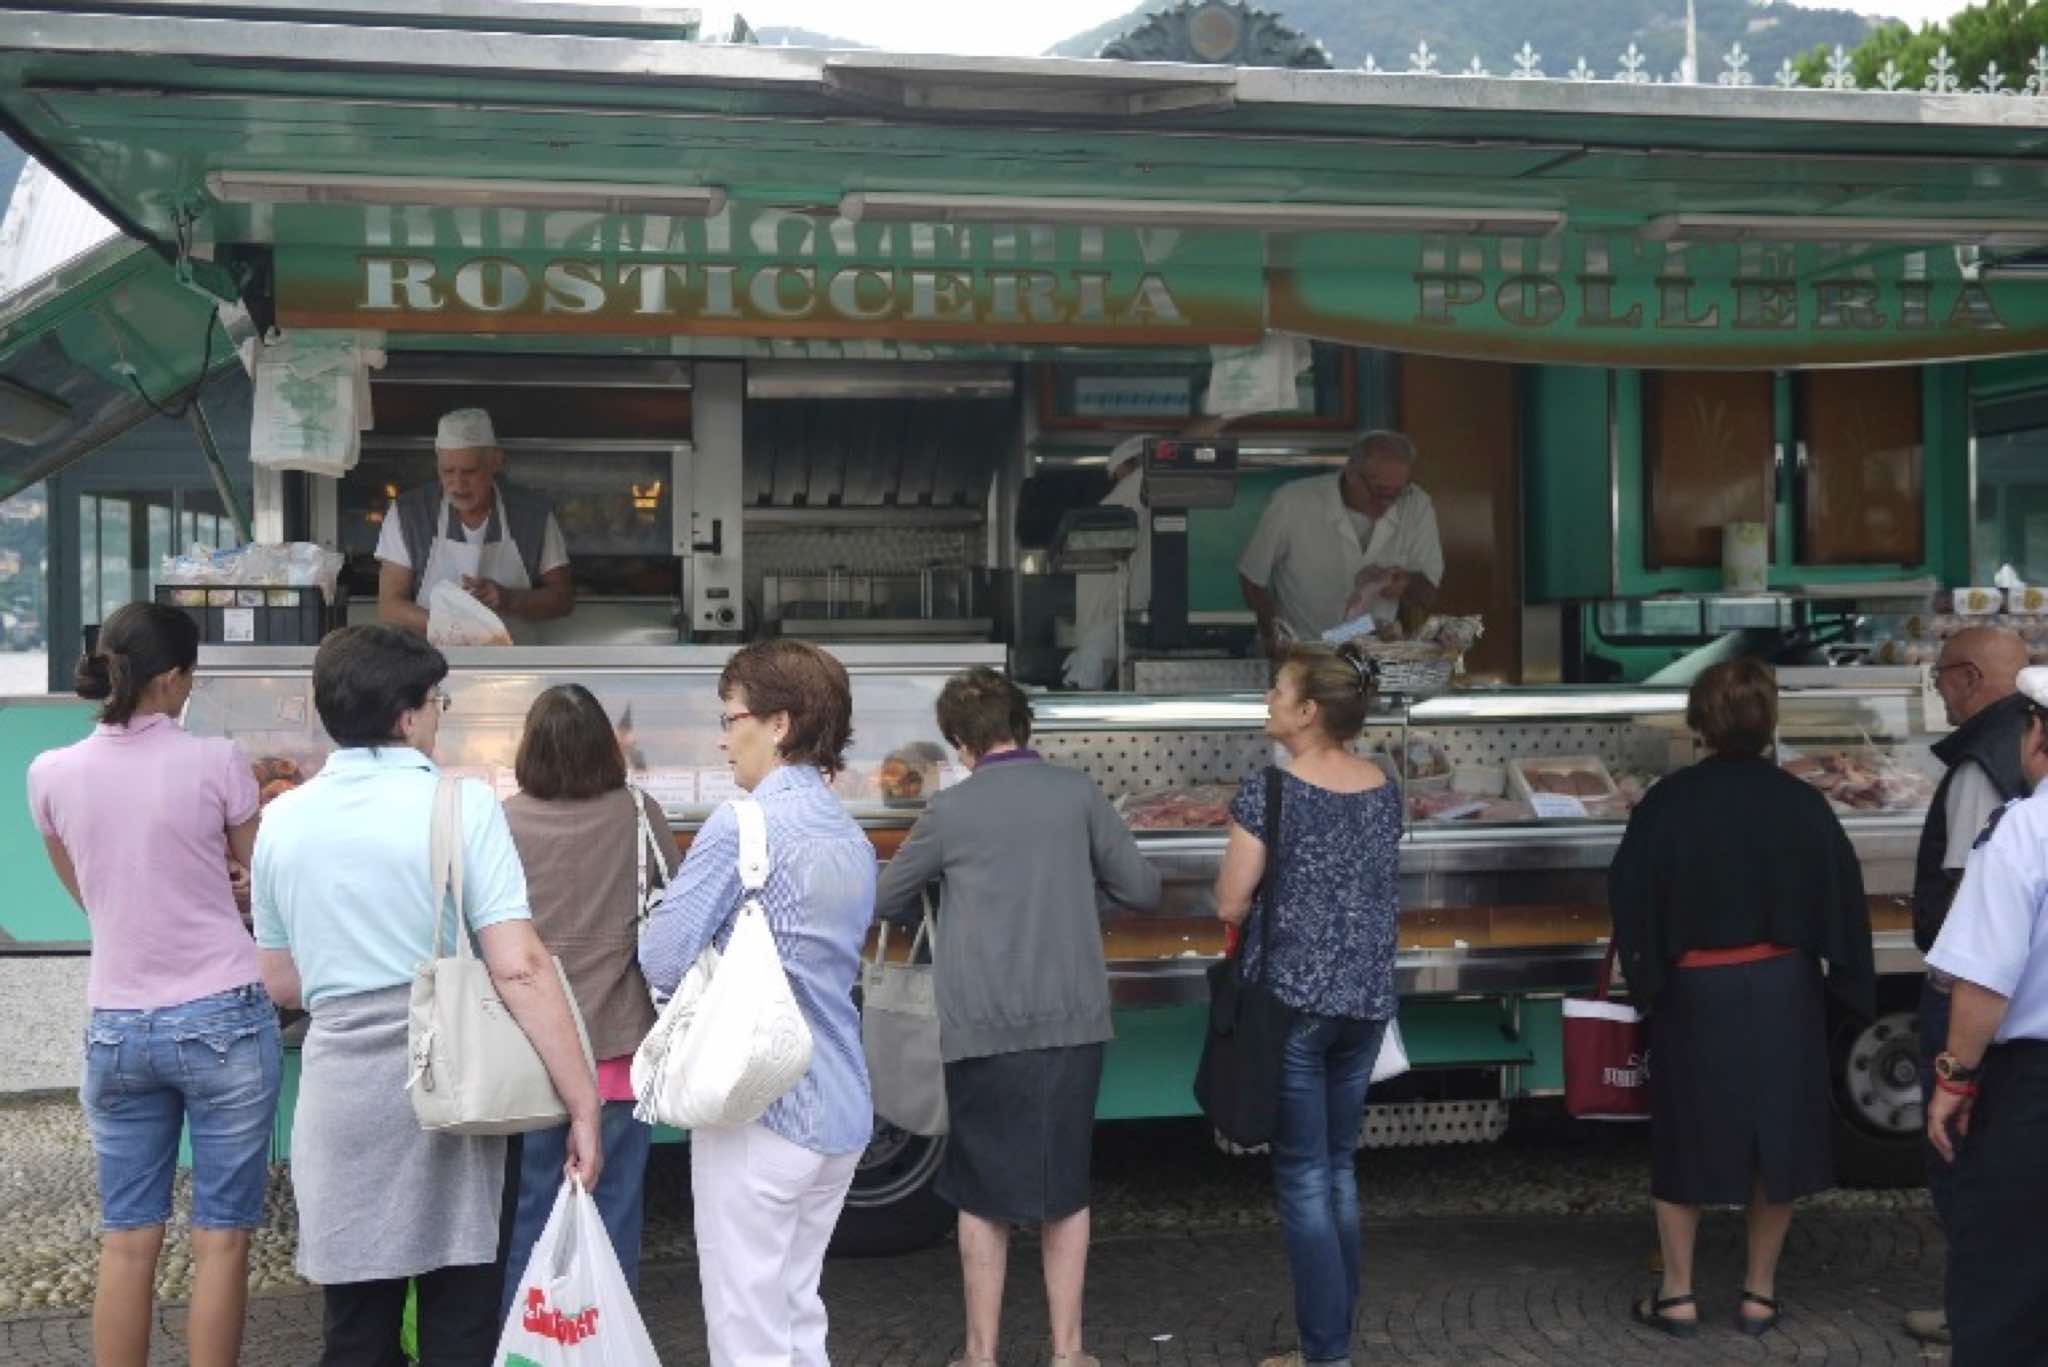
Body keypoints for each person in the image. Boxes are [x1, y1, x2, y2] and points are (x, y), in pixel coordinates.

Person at [251, 625, 600, 1366]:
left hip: (341, 1091)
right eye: (439, 701)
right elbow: (520, 967)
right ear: (408, 715)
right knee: (460, 1319)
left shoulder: (279, 819)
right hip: (453, 1084)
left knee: (356, 1328)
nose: (440, 715)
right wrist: (583, 1102)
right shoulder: (463, 805)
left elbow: (281, 981)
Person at [873, 667, 1161, 1367]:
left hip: (981, 1026)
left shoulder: (950, 811)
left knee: (981, 1194)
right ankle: (1068, 1353)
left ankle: (981, 1356)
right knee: (1065, 1188)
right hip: (1072, 1022)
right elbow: (1142, 888)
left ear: (959, 743)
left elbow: (884, 899)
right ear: (1024, 725)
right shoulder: (1077, 793)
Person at [27, 602, 281, 1367]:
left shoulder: (50, 773)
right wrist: (226, 886)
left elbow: (90, 892)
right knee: (221, 1237)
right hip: (223, 1015)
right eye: (190, 676)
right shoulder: (218, 760)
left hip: (116, 1024)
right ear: (170, 679)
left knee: (128, 1238)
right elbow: (260, 878)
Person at [1609, 658, 1875, 1339]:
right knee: (1775, 1138)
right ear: (1770, 722)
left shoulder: (1668, 801)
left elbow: (1630, 895)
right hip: (1785, 984)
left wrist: (1648, 982)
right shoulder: (1802, 802)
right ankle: (1759, 1294)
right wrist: (1848, 991)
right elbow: (1843, 895)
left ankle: (1676, 1294)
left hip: (1696, 989)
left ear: (1700, 724)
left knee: (1685, 1133)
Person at [638, 639, 875, 1367]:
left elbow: (663, 957)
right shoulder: (851, 832)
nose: (722, 735)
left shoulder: (742, 823)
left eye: (730, 715)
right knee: (798, 1311)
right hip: (839, 1103)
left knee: (747, 1330)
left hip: (757, 1103)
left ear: (779, 723)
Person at [1211, 641, 1402, 1367]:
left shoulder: (1272, 789)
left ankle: (1326, 1355)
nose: (1269, 699)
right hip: (1365, 1003)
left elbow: (1231, 901)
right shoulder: (1384, 786)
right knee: (1339, 1168)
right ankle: (1331, 1343)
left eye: (1278, 690)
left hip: (1292, 1007)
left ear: (1309, 710)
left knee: (1303, 1176)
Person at [499, 684, 680, 1320]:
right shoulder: (639, 813)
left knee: (528, 1217)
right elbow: (675, 911)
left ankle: (524, 1345)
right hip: (620, 1049)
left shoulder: (503, 821)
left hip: (528, 1054)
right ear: (607, 746)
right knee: (615, 1214)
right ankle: (606, 1340)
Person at [1903, 625, 2028, 1347]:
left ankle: (1974, 1311)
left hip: (1977, 1003)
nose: (1938, 689)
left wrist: (1954, 1064)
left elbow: (1970, 912)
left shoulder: (1981, 766)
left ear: (1970, 677)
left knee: (1963, 1156)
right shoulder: (2015, 747)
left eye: (1940, 675)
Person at [1925, 664, 2048, 1366]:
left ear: (2037, 736)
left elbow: (1984, 978)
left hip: (2033, 1089)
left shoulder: (2024, 833)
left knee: (2006, 1282)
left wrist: (1954, 1078)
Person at [376, 407, 575, 638]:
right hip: (431, 657)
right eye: (448, 471)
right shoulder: (408, 514)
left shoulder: (533, 515)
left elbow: (563, 599)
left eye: (470, 471)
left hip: (514, 657)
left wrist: (510, 600)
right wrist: (454, 627)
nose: (458, 484)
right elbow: (389, 607)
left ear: (496, 462)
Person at [1238, 431, 1443, 651]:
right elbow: (1252, 577)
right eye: (1380, 491)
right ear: (1352, 473)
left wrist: (1405, 583)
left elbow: (1428, 592)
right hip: (1302, 651)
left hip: (1372, 654)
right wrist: (1274, 637)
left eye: (1397, 493)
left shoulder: (1416, 505)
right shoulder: (1292, 501)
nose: (1388, 503)